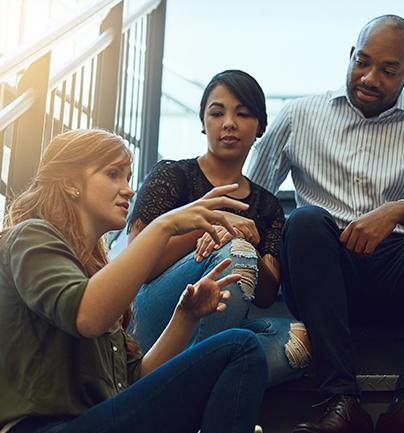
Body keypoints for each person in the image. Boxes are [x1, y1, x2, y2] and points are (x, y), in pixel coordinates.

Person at [247, 14, 404, 433]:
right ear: (351, 56)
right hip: (326, 274)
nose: (369, 77)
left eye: (388, 70)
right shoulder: (299, 116)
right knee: (302, 222)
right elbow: (256, 196)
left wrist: (399, 210)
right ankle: (339, 400)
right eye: (362, 62)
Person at [0, 129, 267, 433]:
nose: (128, 190)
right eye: (113, 174)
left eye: (128, 178)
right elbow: (86, 316)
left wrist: (185, 316)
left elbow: (133, 382)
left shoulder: (97, 275)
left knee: (244, 350)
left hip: (95, 421)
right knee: (240, 347)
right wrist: (166, 224)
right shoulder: (31, 237)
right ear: (71, 183)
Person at [127, 69, 310, 386]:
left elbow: (267, 295)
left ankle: (177, 383)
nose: (229, 123)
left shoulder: (266, 205)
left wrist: (249, 240)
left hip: (217, 322)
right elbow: (136, 267)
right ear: (203, 123)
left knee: (300, 341)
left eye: (243, 113)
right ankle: (200, 389)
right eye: (217, 112)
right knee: (234, 253)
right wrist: (207, 227)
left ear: (260, 127)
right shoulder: (172, 175)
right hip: (155, 317)